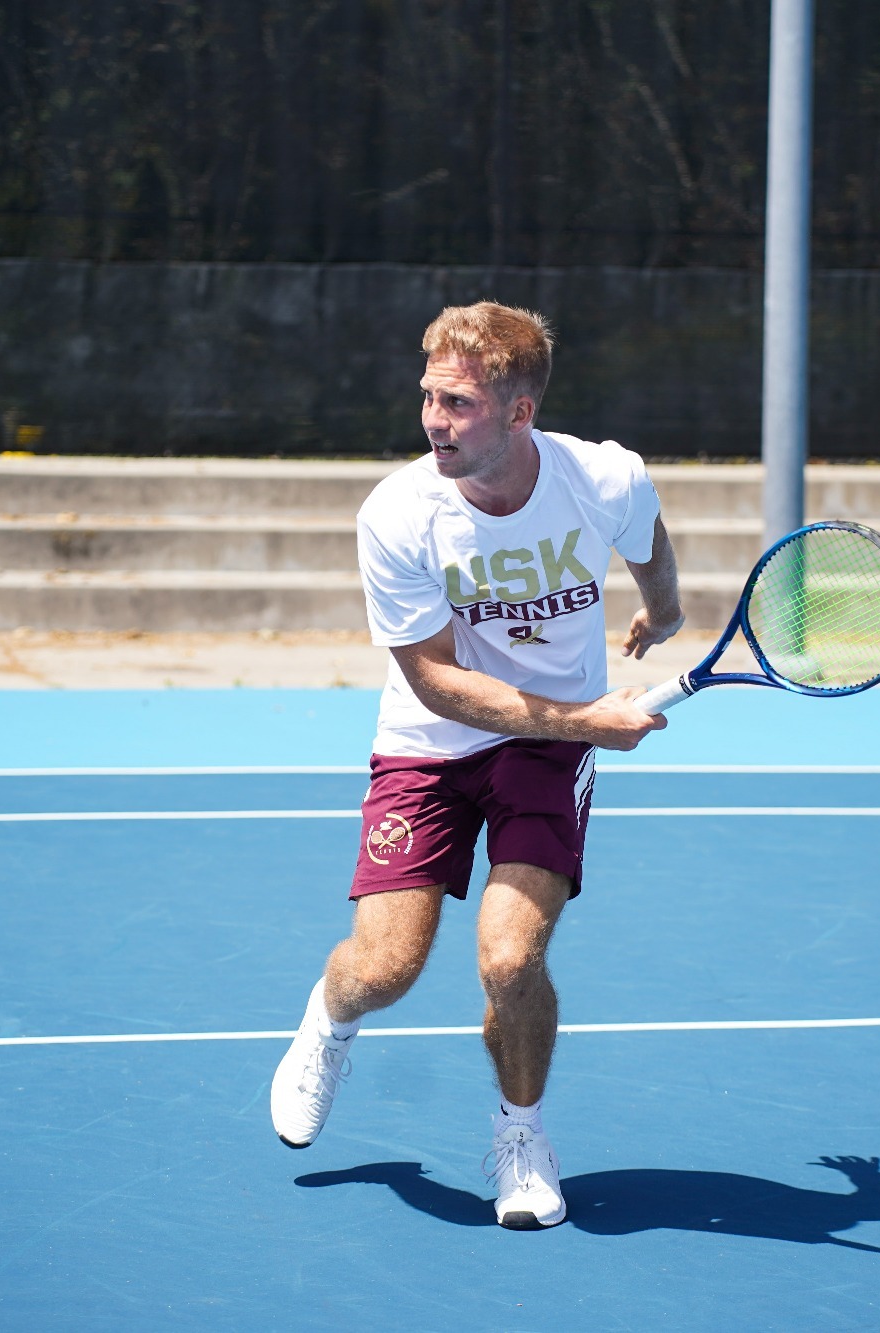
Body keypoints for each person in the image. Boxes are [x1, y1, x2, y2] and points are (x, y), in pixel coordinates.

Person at [269, 301, 685, 1230]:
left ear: (520, 412)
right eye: (428, 397)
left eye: (456, 403)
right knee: (385, 969)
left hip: (547, 748)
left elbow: (648, 538)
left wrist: (663, 608)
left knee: (509, 956)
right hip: (432, 739)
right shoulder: (398, 515)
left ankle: (523, 1132)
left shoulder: (601, 477)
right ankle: (331, 1020)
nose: (433, 420)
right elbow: (435, 683)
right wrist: (589, 716)